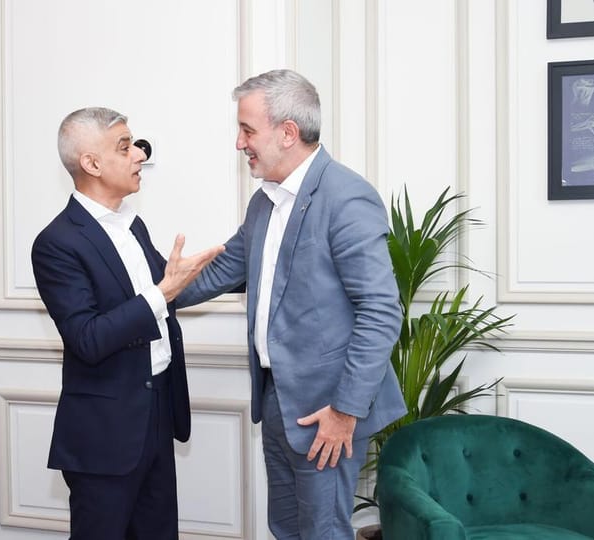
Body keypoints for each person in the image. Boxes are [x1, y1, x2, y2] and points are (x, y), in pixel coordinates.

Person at [177, 70, 405, 539]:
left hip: (328, 409)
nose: (240, 144)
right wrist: (147, 291)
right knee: (285, 527)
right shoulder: (264, 202)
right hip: (278, 398)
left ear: (287, 132)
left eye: (247, 130)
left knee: (322, 532)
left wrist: (345, 412)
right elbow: (222, 271)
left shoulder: (346, 197)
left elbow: (381, 311)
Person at [31, 107, 224, 540]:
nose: (139, 155)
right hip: (104, 434)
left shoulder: (133, 225)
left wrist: (246, 264)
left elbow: (168, 288)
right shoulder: (56, 243)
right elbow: (88, 338)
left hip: (156, 414)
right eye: (125, 146)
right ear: (91, 164)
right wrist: (162, 292)